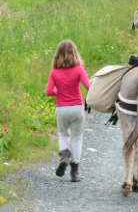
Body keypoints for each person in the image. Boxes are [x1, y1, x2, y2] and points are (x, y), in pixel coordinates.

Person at [45, 39, 90, 182]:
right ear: (74, 54)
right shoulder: (79, 69)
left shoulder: (54, 71)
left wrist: (60, 92)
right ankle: (75, 172)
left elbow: (48, 91)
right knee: (77, 138)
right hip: (77, 108)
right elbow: (89, 86)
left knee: (63, 135)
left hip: (62, 109)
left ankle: (64, 157)